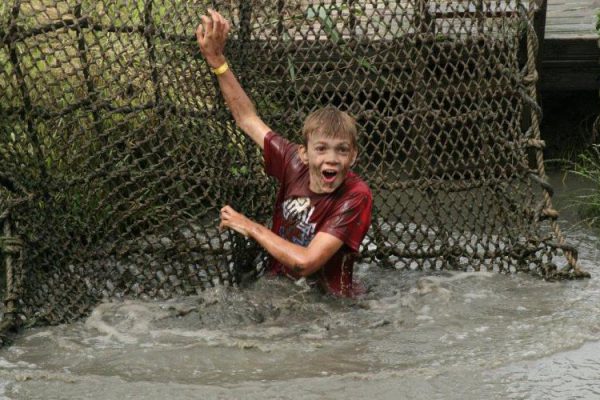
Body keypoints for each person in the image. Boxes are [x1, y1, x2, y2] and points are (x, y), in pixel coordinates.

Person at [196, 10, 372, 297]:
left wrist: (249, 226)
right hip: (280, 290)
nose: (331, 159)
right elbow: (247, 119)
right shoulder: (293, 162)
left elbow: (305, 264)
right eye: (321, 149)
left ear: (353, 157)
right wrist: (217, 62)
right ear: (304, 154)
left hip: (331, 307)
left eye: (342, 151)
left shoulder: (356, 195)